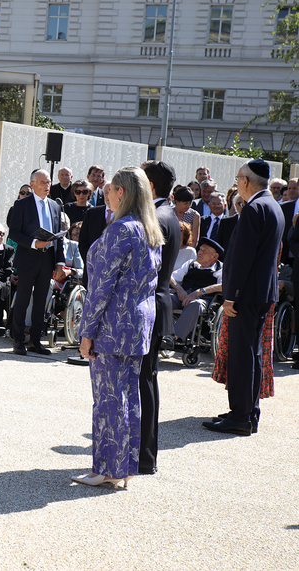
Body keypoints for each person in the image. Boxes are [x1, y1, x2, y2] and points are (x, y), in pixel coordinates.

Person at [72, 167, 163, 489]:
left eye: (110, 189)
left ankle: (106, 468)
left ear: (122, 192)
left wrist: (86, 332)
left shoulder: (120, 230)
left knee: (108, 400)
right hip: (138, 325)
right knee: (128, 398)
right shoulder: (149, 229)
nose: (106, 193)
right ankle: (122, 467)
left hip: (113, 326)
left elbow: (101, 287)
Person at [204, 159, 284, 436]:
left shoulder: (254, 208)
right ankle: (248, 412)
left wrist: (231, 296)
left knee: (242, 355)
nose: (237, 183)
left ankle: (240, 416)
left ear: (247, 181)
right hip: (261, 292)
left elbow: (242, 257)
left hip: (246, 294)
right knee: (253, 353)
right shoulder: (272, 205)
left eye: (238, 178)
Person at [137, 161, 180, 476]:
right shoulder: (167, 213)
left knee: (144, 381)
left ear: (150, 186)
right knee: (147, 380)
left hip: (149, 305)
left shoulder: (156, 217)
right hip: (158, 303)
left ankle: (143, 455)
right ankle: (145, 455)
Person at [8, 169, 64, 356]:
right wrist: (34, 243)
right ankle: (18, 340)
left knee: (41, 301)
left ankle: (35, 341)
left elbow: (59, 237)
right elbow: (14, 233)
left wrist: (59, 262)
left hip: (47, 259)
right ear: (32, 184)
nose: (47, 186)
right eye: (42, 182)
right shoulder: (22, 204)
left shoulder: (55, 206)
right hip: (28, 257)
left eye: (48, 182)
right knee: (23, 300)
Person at [162, 237, 223, 346]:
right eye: (200, 249)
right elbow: (171, 277)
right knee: (164, 299)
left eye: (204, 251)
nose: (199, 253)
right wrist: (179, 289)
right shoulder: (190, 264)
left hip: (203, 300)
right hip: (183, 296)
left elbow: (223, 286)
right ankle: (158, 333)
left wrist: (199, 292)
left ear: (215, 256)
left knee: (196, 304)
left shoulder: (220, 269)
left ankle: (172, 337)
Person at [78, 181, 112, 289]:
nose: (108, 196)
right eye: (106, 192)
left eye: (111, 192)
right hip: (91, 270)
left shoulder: (124, 216)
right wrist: (91, 261)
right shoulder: (92, 213)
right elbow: (83, 241)